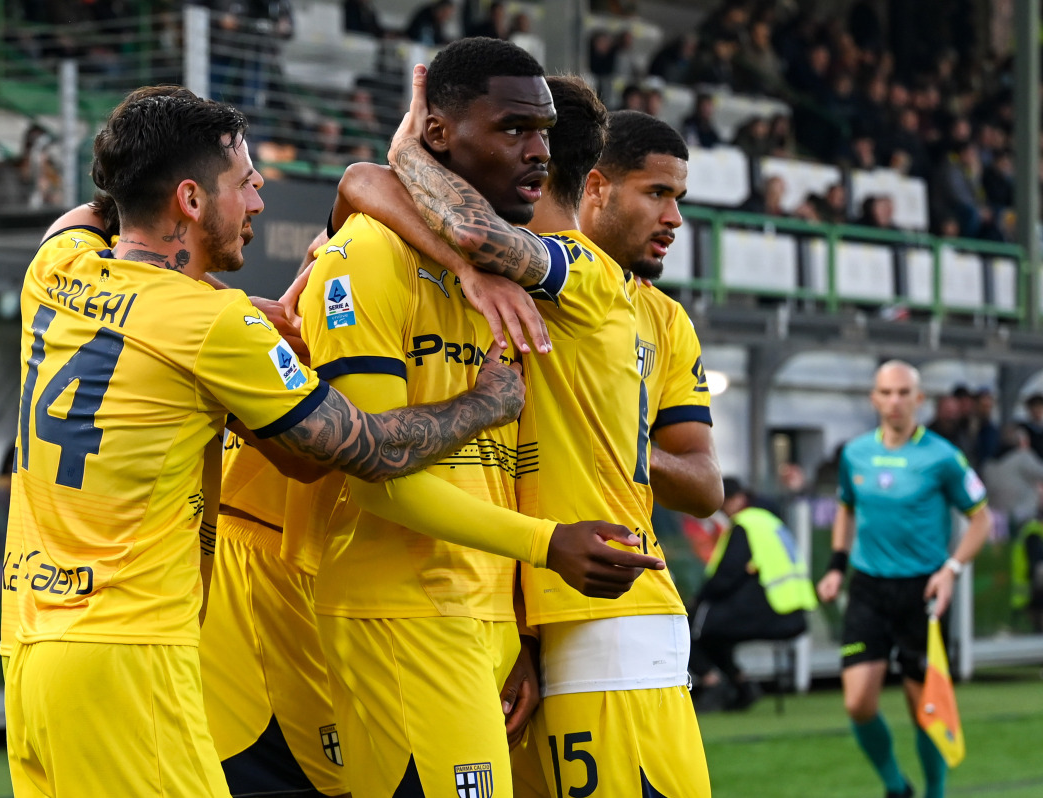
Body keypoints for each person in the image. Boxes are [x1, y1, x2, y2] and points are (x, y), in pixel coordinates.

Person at [2, 88, 534, 798]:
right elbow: (370, 450)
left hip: (29, 647)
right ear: (191, 199)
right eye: (246, 184)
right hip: (129, 651)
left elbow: (97, 213)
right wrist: (485, 402)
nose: (257, 201)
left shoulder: (56, 269)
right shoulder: (215, 324)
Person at [293, 43, 664, 797]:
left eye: (545, 133)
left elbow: (493, 472)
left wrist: (514, 627)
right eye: (513, 129)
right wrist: (546, 544)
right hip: (402, 611)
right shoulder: (369, 256)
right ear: (437, 132)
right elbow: (375, 477)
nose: (537, 152)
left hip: (484, 610)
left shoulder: (525, 277)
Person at [365, 77, 720, 791]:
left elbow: (459, 223)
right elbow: (362, 188)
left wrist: (409, 147)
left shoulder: (583, 270)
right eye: (658, 193)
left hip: (609, 619)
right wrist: (522, 634)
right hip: (529, 617)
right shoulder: (484, 279)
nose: (675, 218)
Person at [817, 360, 991, 798]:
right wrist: (836, 566)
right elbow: (846, 507)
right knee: (858, 703)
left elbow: (981, 519)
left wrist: (951, 570)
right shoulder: (854, 453)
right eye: (886, 392)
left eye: (903, 392)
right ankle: (896, 786)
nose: (894, 401)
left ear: (919, 399)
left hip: (923, 592)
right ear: (874, 398)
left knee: (924, 710)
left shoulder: (943, 456)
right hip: (868, 588)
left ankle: (935, 792)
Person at [689, 477, 817, 712]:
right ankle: (742, 684)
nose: (723, 512)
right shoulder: (769, 521)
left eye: (723, 505)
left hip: (774, 609)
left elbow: (727, 574)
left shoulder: (745, 524)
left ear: (737, 500)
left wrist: (699, 599)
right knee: (710, 629)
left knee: (691, 625)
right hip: (793, 610)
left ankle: (712, 682)